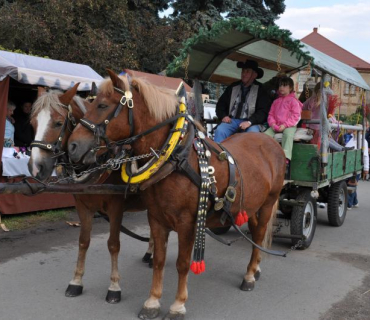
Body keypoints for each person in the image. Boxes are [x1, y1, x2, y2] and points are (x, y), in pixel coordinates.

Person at [214, 59, 271, 142]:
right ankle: (220, 154)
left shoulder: (261, 90)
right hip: (232, 121)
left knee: (251, 134)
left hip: (252, 123)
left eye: (247, 71)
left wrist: (249, 122)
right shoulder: (233, 87)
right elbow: (220, 104)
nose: (244, 74)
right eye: (243, 71)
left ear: (254, 75)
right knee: (220, 130)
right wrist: (223, 116)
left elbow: (263, 111)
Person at [264, 77, 302, 177]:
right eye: (280, 85)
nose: (281, 87)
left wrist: (284, 125)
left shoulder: (293, 101)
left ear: (290, 88)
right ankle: (265, 156)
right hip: (275, 125)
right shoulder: (276, 101)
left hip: (289, 125)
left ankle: (285, 159)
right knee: (265, 135)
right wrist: (272, 124)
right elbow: (271, 114)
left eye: (285, 86)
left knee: (288, 135)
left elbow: (296, 116)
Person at [302, 83, 346, 152]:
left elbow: (328, 115)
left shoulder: (324, 102)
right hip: (314, 128)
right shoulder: (313, 100)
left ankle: (341, 147)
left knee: (327, 138)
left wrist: (335, 122)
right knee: (325, 139)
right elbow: (303, 107)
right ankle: (341, 148)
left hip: (319, 127)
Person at [345, 128, 369, 209]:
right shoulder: (351, 139)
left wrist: (366, 168)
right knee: (352, 183)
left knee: (351, 184)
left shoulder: (363, 142)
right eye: (354, 130)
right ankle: (355, 202)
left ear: (361, 131)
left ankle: (349, 204)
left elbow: (365, 156)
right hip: (349, 165)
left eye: (356, 130)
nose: (354, 131)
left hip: (356, 166)